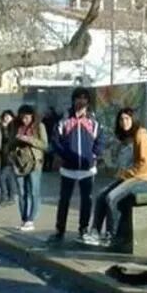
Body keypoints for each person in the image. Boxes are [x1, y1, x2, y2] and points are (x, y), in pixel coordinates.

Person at [89, 108, 147, 248]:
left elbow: (146, 163)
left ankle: (111, 235)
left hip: (144, 178)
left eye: (127, 118)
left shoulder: (141, 134)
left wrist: (126, 174)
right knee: (101, 195)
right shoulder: (127, 136)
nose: (124, 122)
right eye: (121, 119)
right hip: (132, 176)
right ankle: (95, 232)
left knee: (111, 197)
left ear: (133, 119)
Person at [48, 88, 103, 244]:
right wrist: (65, 155)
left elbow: (100, 140)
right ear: (73, 100)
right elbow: (55, 141)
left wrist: (93, 155)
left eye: (84, 98)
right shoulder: (64, 120)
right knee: (64, 200)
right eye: (78, 98)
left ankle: (83, 229)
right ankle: (60, 229)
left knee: (87, 200)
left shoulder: (93, 121)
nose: (81, 101)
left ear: (88, 102)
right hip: (68, 169)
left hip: (87, 169)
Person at [10, 105, 47, 231]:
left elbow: (45, 145)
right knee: (21, 192)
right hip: (19, 163)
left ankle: (31, 219)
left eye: (26, 117)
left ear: (32, 116)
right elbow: (9, 143)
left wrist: (29, 139)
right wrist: (16, 140)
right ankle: (24, 219)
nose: (24, 119)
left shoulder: (39, 126)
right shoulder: (16, 126)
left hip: (35, 162)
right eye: (22, 117)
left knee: (33, 191)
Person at [0, 110, 17, 206]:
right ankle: (11, 197)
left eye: (8, 117)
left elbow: (8, 139)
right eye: (5, 116)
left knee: (1, 176)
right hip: (2, 155)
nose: (6, 118)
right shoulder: (1, 127)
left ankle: (4, 197)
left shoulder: (13, 127)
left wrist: (4, 128)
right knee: (10, 177)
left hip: (9, 156)